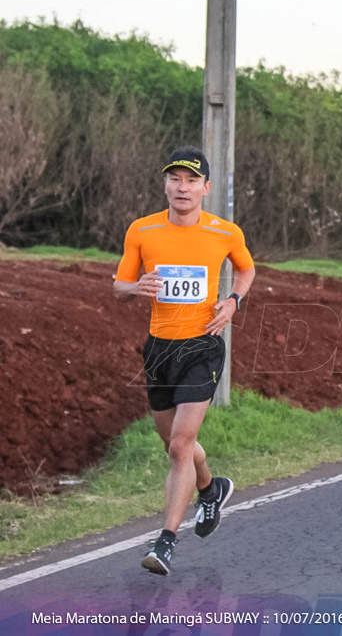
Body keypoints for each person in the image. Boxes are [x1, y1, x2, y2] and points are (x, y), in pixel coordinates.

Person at [113, 147, 256, 575]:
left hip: (202, 346)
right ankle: (211, 489)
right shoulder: (143, 230)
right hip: (158, 348)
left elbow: (247, 270)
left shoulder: (225, 232)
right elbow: (118, 285)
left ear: (205, 188)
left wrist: (232, 301)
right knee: (172, 443)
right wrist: (136, 286)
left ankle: (166, 541)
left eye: (191, 180)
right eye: (175, 178)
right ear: (165, 185)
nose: (182, 187)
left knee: (179, 445)